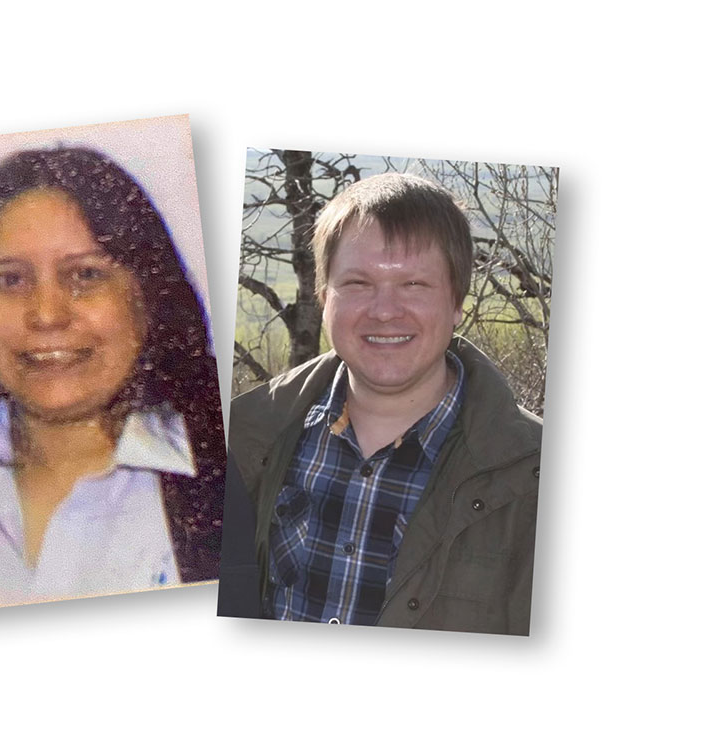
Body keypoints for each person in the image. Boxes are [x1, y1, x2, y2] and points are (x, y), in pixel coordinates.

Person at [218, 173, 542, 635]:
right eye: (357, 282)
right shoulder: (243, 440)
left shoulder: (531, 474)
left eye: (414, 284)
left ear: (456, 303)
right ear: (324, 297)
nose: (385, 310)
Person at [0, 148, 225, 613]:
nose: (46, 314)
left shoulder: (240, 478)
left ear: (148, 296)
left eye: (85, 274)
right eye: (11, 280)